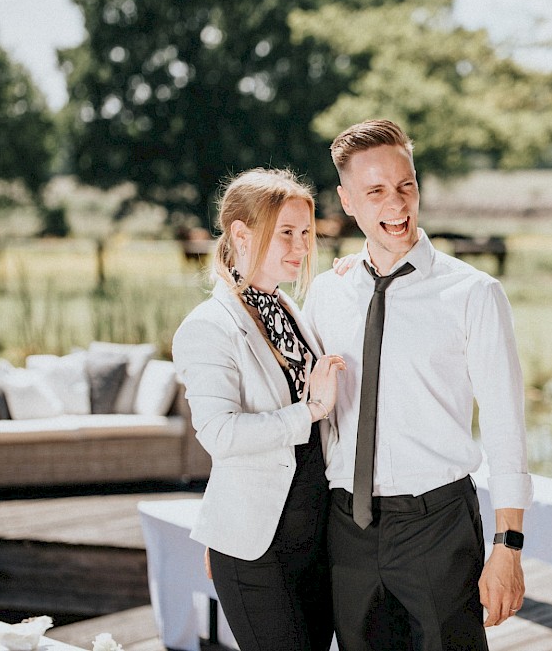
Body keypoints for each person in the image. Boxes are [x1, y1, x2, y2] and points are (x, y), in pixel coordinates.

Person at [303, 120, 533, 651]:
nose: (397, 205)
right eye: (376, 191)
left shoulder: (474, 293)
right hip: (347, 528)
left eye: (406, 185)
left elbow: (505, 423)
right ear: (346, 200)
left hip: (439, 528)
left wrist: (509, 544)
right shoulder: (326, 294)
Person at [172, 168, 345, 651]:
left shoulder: (289, 309)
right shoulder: (208, 326)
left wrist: (351, 279)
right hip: (256, 553)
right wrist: (309, 411)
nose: (301, 246)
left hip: (313, 542)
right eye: (286, 232)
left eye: (307, 233)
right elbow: (220, 435)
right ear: (241, 234)